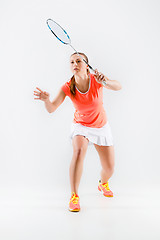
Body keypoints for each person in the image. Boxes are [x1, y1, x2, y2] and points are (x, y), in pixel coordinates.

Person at [33, 52, 122, 212]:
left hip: (101, 126)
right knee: (79, 151)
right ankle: (74, 196)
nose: (75, 64)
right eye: (72, 62)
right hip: (81, 126)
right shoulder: (68, 86)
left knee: (109, 169)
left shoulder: (96, 79)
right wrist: (46, 100)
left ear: (87, 65)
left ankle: (103, 184)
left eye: (79, 61)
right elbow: (52, 108)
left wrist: (106, 82)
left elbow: (119, 86)